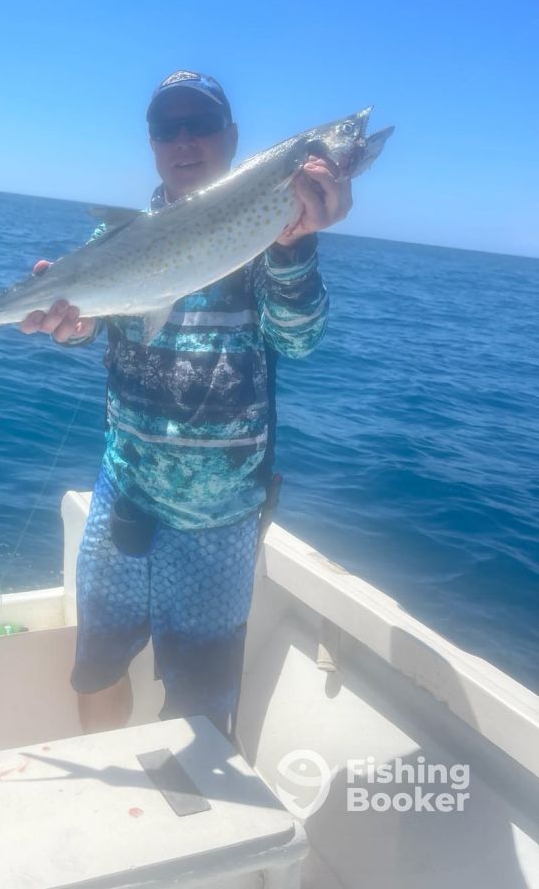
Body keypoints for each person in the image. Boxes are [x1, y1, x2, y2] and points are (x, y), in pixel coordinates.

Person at [20, 71, 353, 737]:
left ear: (231, 136)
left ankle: (191, 797)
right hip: (126, 493)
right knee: (98, 670)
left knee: (201, 704)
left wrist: (295, 245)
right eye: (166, 128)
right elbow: (92, 324)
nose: (184, 140)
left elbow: (300, 339)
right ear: (151, 144)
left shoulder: (268, 233)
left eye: (199, 124)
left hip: (220, 517)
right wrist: (68, 327)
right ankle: (110, 783)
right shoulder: (118, 237)